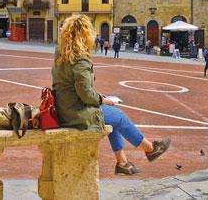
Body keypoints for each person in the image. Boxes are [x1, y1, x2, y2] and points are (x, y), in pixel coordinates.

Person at [52, 14, 170, 175]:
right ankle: (150, 149)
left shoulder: (61, 55)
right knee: (119, 116)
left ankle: (122, 162)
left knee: (112, 118)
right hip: (76, 113)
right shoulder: (80, 60)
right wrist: (103, 99)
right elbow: (86, 95)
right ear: (85, 35)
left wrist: (99, 97)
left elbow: (74, 88)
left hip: (65, 108)